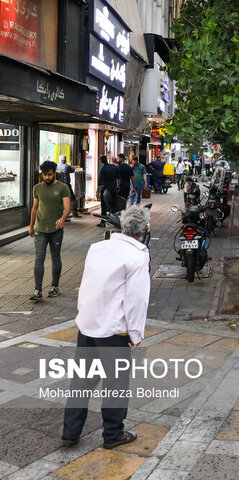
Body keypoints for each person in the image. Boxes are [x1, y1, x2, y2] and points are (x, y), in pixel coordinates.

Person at [61, 206, 151, 450]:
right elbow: (136, 299)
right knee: (116, 384)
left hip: (88, 324)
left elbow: (88, 283)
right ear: (144, 230)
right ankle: (112, 435)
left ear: (122, 225)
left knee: (81, 381)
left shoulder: (97, 247)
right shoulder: (138, 256)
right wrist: (136, 333)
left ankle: (70, 433)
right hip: (114, 331)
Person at [28, 161, 71, 301]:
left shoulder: (63, 187)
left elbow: (67, 208)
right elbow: (34, 208)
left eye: (50, 174)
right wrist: (31, 226)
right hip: (40, 229)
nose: (47, 177)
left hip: (56, 230)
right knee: (39, 258)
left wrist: (63, 218)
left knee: (55, 257)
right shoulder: (37, 188)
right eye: (45, 175)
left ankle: (54, 287)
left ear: (55, 173)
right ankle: (37, 291)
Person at [98, 155, 119, 227]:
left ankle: (103, 222)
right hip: (113, 188)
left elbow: (100, 182)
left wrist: (97, 191)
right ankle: (116, 221)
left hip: (105, 189)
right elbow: (118, 178)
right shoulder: (113, 167)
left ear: (101, 161)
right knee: (113, 205)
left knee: (103, 205)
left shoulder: (102, 169)